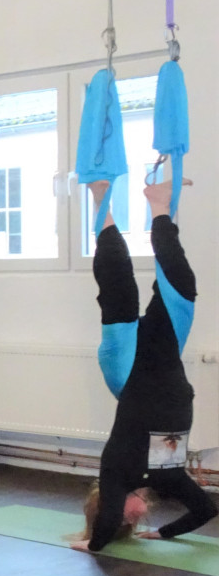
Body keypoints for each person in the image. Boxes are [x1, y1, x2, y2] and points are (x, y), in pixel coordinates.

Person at [70, 176, 216, 552]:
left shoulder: (115, 472)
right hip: (163, 366)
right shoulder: (168, 479)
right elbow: (205, 509)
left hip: (127, 370)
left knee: (119, 285)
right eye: (135, 522)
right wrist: (164, 533)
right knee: (182, 286)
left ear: (105, 505)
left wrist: (92, 544)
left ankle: (101, 198)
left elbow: (102, 532)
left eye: (128, 519)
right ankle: (158, 205)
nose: (137, 515)